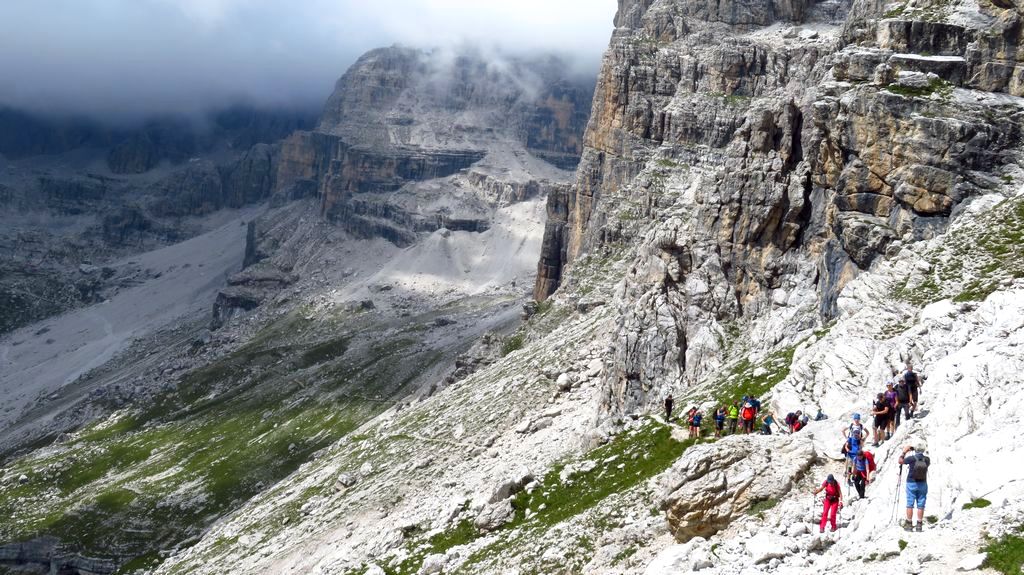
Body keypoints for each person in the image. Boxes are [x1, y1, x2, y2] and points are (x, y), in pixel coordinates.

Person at [899, 442, 931, 531]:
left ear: (915, 450)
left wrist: (904, 452)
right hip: (923, 483)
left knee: (910, 503)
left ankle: (909, 524)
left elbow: (900, 461)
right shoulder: (927, 459)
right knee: (921, 504)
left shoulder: (911, 458)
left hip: (911, 483)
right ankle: (919, 525)